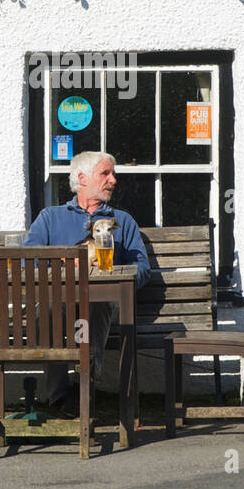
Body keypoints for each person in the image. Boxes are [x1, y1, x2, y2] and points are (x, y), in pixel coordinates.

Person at [23, 151, 151, 415]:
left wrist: (112, 273)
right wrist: (66, 265)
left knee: (99, 303)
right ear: (82, 178)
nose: (113, 180)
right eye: (105, 173)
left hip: (102, 304)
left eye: (112, 174)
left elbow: (143, 270)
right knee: (47, 308)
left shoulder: (122, 221)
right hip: (57, 300)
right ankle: (60, 397)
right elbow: (28, 262)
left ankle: (85, 390)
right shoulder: (50, 217)